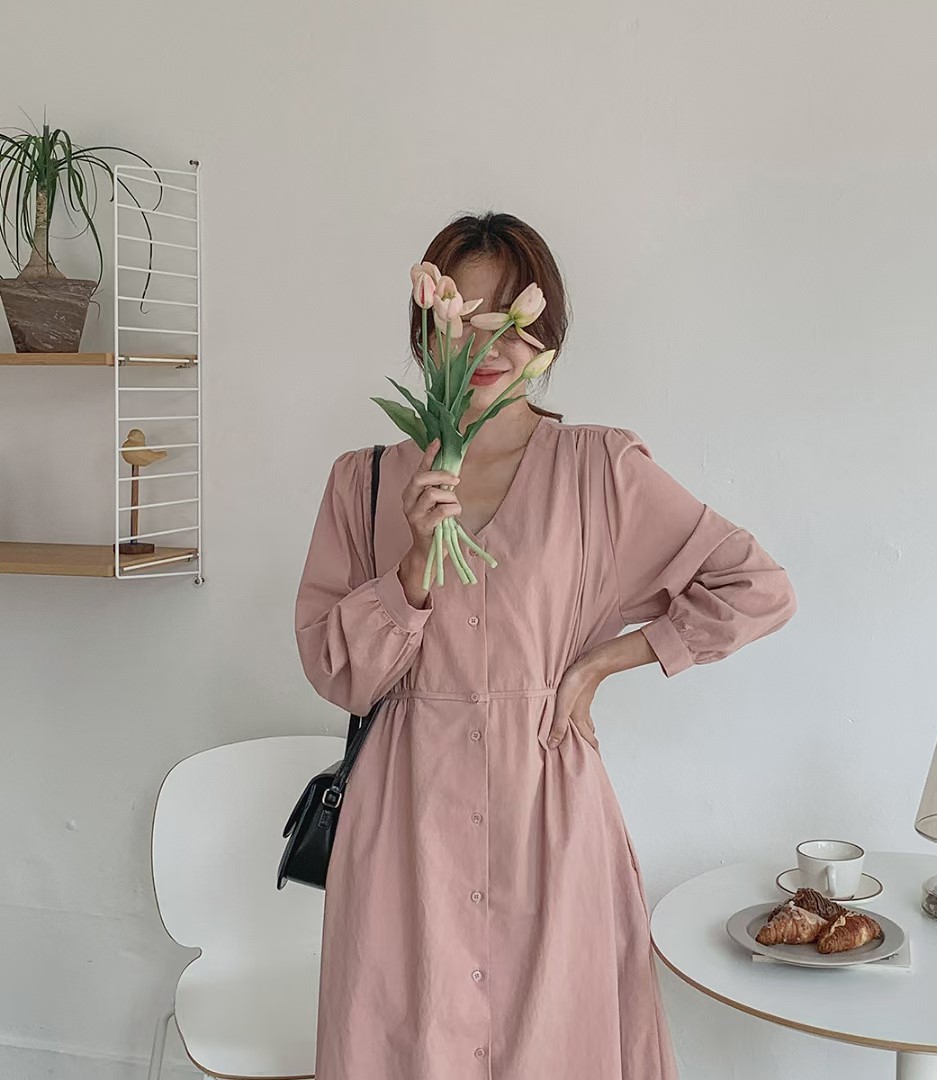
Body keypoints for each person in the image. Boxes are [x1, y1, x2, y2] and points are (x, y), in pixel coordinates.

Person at [294, 211, 798, 1080]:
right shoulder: (364, 482)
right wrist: (411, 567)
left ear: (546, 334)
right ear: (426, 330)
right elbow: (336, 672)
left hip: (549, 820)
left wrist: (606, 660)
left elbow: (755, 585)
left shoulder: (601, 472)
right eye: (462, 316)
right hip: (404, 830)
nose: (488, 343)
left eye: (512, 320)